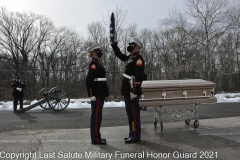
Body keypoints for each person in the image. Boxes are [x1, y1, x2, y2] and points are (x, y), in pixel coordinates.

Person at [111, 37, 145, 143]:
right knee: (130, 114)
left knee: (133, 114)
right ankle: (132, 134)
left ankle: (135, 136)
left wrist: (134, 91)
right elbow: (120, 55)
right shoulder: (130, 57)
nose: (130, 45)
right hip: (127, 89)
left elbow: (139, 76)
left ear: (137, 47)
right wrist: (114, 45)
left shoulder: (138, 59)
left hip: (132, 91)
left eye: (132, 44)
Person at [86, 43, 109, 145]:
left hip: (100, 93)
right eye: (99, 51)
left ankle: (97, 136)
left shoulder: (97, 63)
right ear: (94, 52)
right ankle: (95, 139)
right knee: (96, 117)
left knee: (98, 116)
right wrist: (91, 94)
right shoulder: (93, 64)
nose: (101, 53)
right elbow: (88, 80)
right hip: (97, 93)